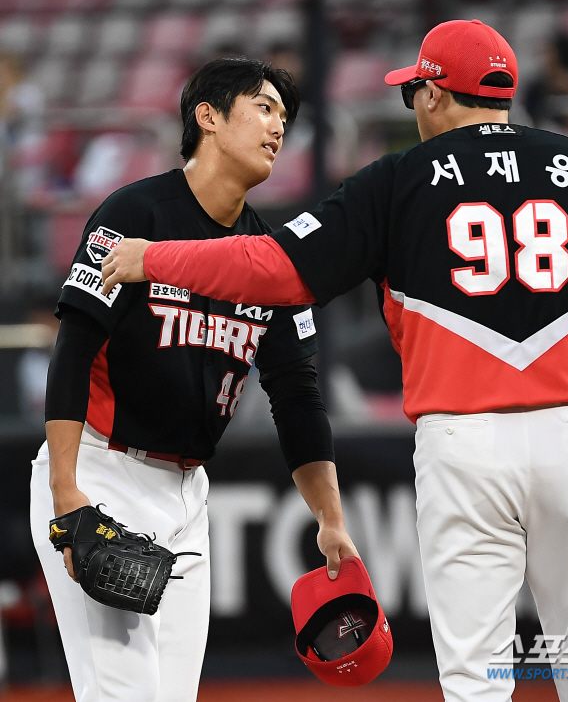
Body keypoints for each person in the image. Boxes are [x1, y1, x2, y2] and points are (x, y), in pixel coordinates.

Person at [102, 21, 568, 702]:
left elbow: (276, 269)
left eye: (413, 92)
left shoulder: (400, 178)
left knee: (477, 680)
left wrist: (154, 256)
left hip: (465, 441)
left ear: (433, 94)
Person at [30, 57, 357, 702]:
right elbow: (73, 351)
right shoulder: (133, 214)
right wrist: (68, 494)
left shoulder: (270, 259)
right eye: (263, 108)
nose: (278, 128)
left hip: (188, 496)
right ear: (208, 117)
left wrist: (330, 518)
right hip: (102, 472)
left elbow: (297, 394)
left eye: (284, 117)